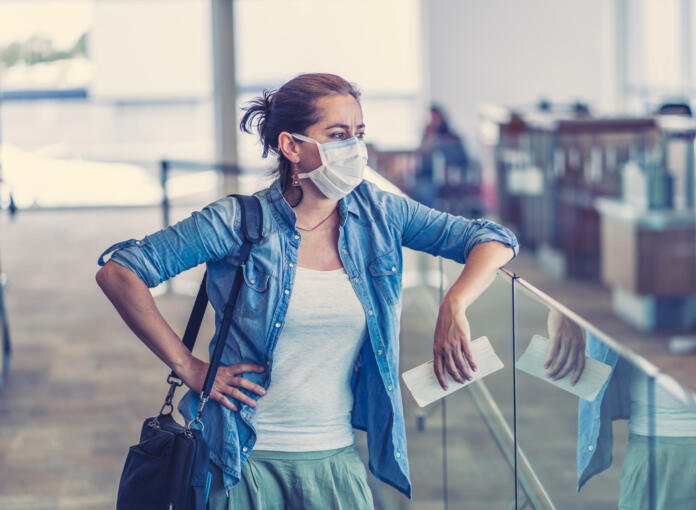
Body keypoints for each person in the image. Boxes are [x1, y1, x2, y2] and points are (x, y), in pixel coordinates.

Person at [95, 73, 518, 509]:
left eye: (359, 134)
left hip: (334, 461)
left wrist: (455, 301)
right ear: (291, 146)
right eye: (337, 135)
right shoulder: (239, 221)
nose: (354, 148)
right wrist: (189, 366)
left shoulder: (380, 213)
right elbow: (119, 272)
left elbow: (493, 239)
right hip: (241, 463)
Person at [413, 104, 469, 207]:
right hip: (428, 178)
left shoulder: (452, 138)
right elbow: (421, 159)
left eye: (436, 117)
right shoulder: (426, 136)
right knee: (423, 192)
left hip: (451, 178)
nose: (433, 120)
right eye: (431, 117)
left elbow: (463, 160)